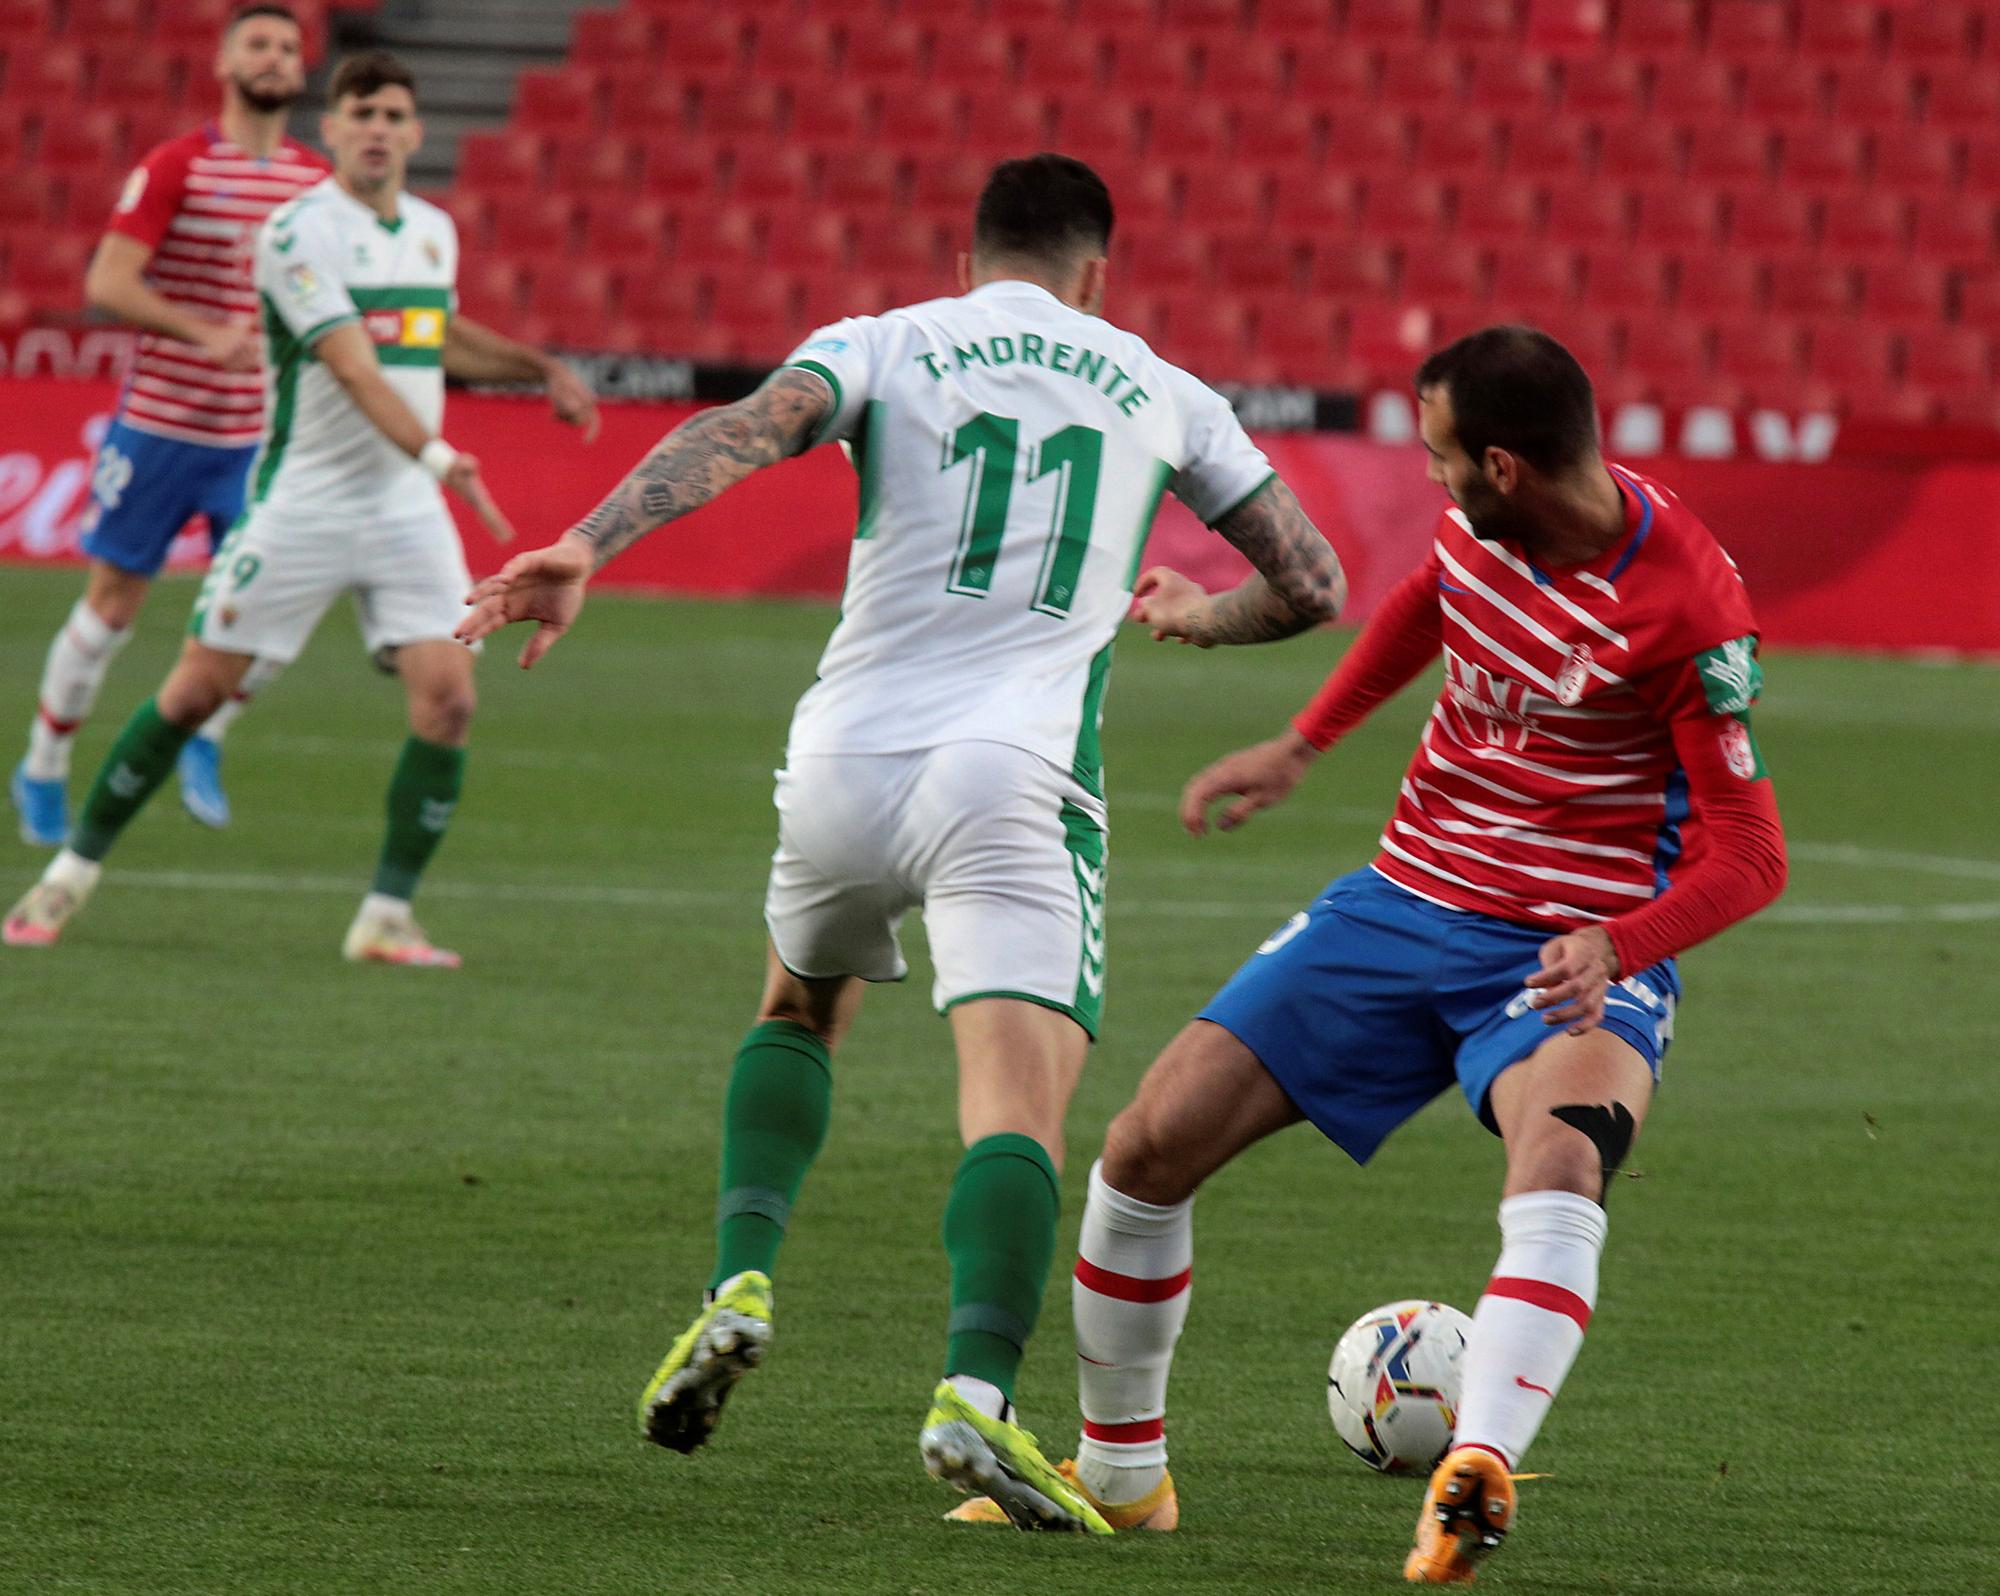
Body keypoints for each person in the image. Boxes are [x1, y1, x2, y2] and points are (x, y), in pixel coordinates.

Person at [456, 154, 1346, 1531]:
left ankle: (740, 1279)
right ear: (1095, 272)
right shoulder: (1161, 387)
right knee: (1016, 1110)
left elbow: (749, 427)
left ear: (968, 258)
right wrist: (1198, 611)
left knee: (798, 1011)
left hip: (841, 759)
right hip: (1012, 777)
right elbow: (1313, 584)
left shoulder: (886, 341)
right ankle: (973, 1399)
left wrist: (583, 542)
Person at [954, 326, 1789, 1571]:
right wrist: (1301, 743)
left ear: (1503, 465)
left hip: (1565, 949)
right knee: (1141, 1150)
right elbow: (1422, 605)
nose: (1430, 476)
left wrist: (1620, 942)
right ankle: (1122, 1479)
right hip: (1401, 903)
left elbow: (1750, 854)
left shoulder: (1683, 605)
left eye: (1442, 452)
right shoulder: (1481, 534)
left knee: (1558, 1173)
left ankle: (1478, 1465)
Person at [4, 50, 599, 964]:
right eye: (359, 112)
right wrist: (444, 455)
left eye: (393, 114)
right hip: (304, 502)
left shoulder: (433, 231)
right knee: (194, 693)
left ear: (414, 132)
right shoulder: (296, 232)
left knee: (448, 703)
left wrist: (540, 368)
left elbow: (433, 334)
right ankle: (66, 878)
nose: (376, 128)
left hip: (403, 509)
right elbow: (353, 364)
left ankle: (384, 917)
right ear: (329, 131)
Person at [12, 2, 327, 844]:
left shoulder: (313, 183)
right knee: (113, 606)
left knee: (271, 608)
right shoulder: (177, 166)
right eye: (258, 43)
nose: (275, 57)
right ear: (225, 65)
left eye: (289, 47)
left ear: (302, 70)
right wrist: (202, 332)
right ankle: (43, 761)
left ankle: (204, 737)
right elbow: (107, 284)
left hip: (256, 443)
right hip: (159, 429)